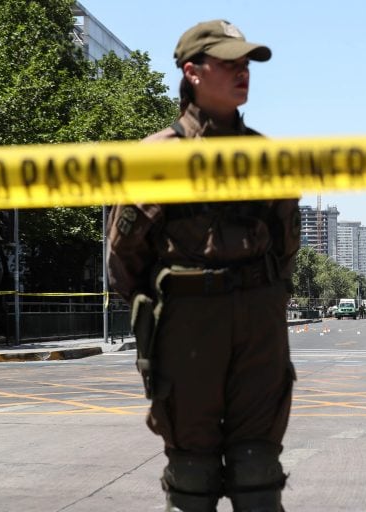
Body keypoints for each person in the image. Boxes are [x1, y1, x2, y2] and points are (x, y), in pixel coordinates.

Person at [107, 20, 299, 511]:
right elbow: (124, 255)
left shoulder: (267, 157)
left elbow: (287, 242)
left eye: (246, 64)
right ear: (192, 71)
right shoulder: (157, 158)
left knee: (258, 470)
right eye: (229, 63)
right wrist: (174, 302)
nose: (243, 73)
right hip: (188, 322)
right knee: (191, 470)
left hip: (258, 319)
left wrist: (261, 297)